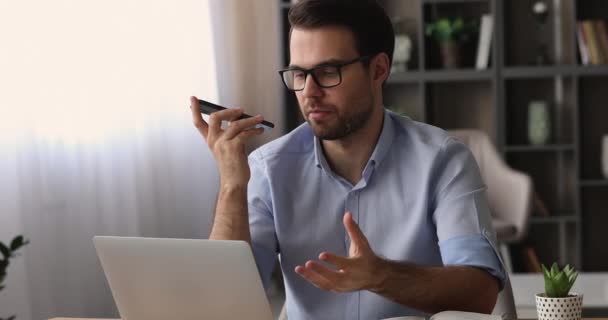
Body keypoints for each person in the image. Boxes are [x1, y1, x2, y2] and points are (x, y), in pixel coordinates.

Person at [189, 0, 505, 319]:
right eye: (299, 74)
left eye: (328, 72)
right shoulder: (268, 169)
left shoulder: (443, 160)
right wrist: (232, 184)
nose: (309, 93)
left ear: (378, 70)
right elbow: (223, 301)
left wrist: (381, 276)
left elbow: (479, 291)